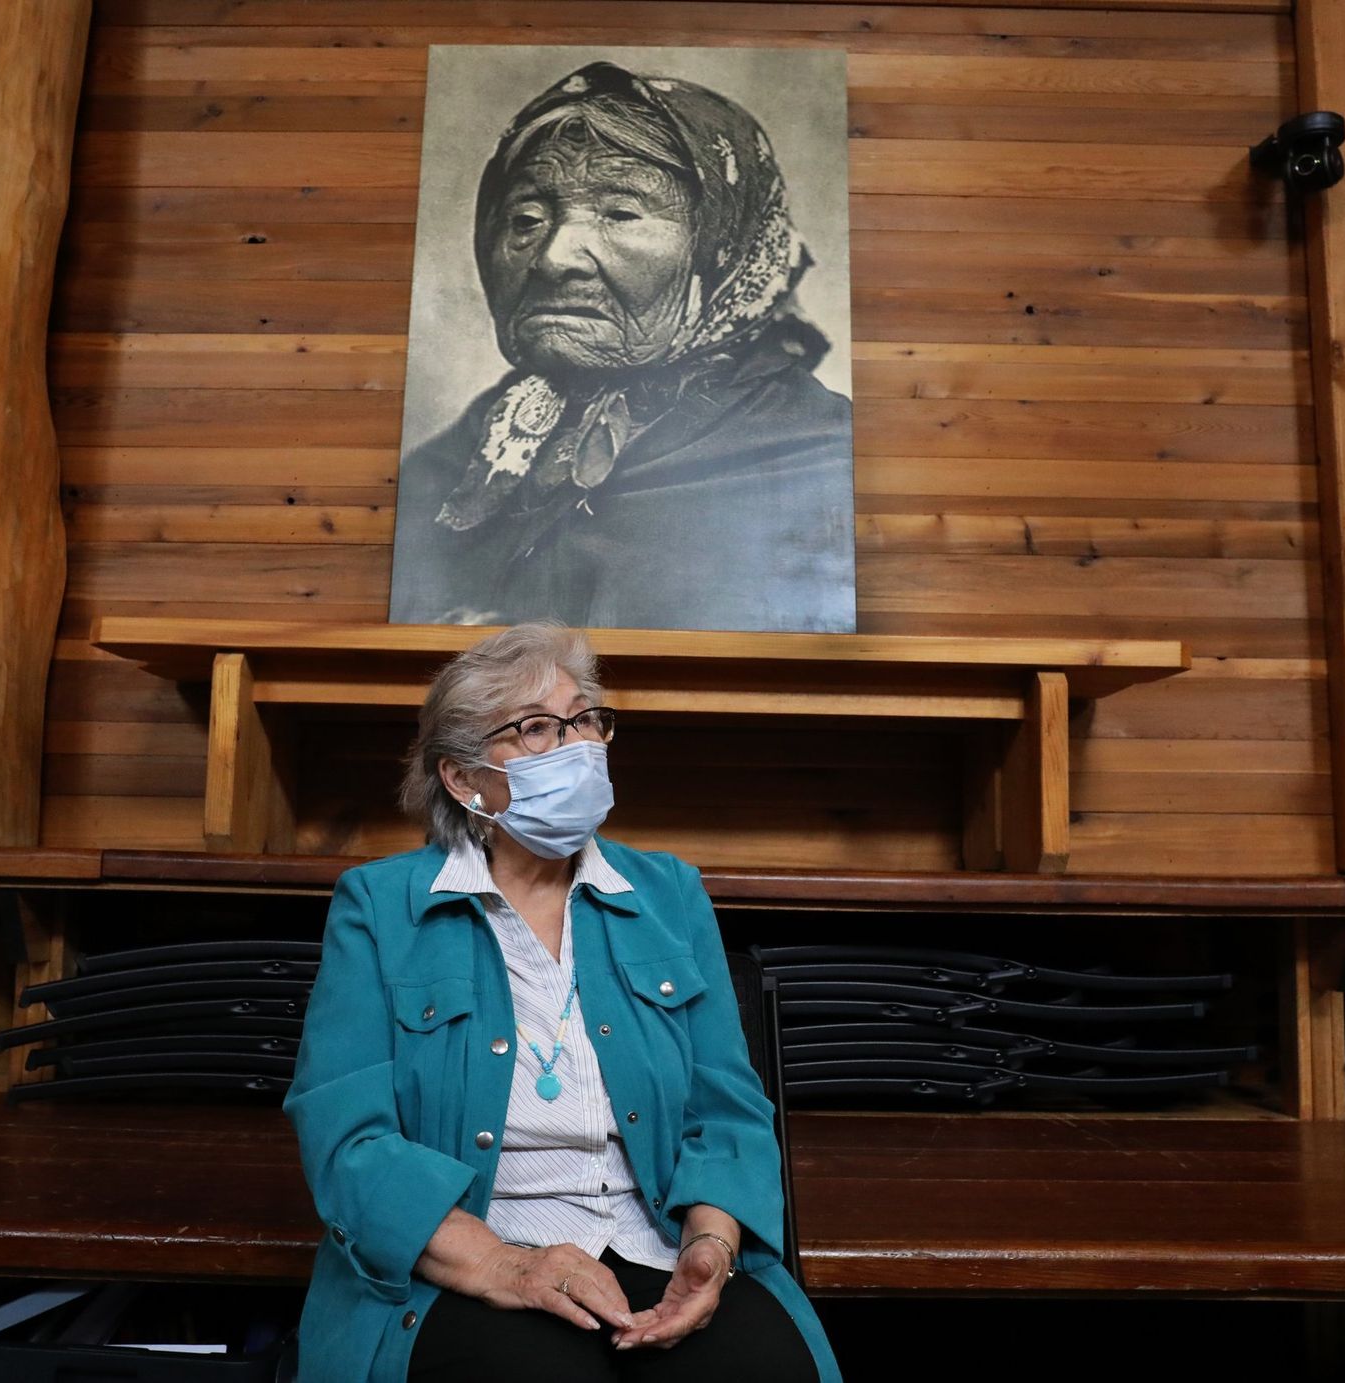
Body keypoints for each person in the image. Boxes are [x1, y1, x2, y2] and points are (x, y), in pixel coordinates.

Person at [284, 622, 840, 1381]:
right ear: (465, 779)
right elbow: (349, 1142)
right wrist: (504, 1265)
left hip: (659, 1240)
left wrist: (711, 1243)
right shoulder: (380, 907)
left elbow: (730, 1107)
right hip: (477, 1253)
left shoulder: (669, 891)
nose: (577, 745)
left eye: (585, 719)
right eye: (537, 727)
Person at [388, 61, 855, 634]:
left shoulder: (819, 459)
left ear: (724, 249)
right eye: (527, 218)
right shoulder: (484, 444)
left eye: (620, 214)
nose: (555, 258)